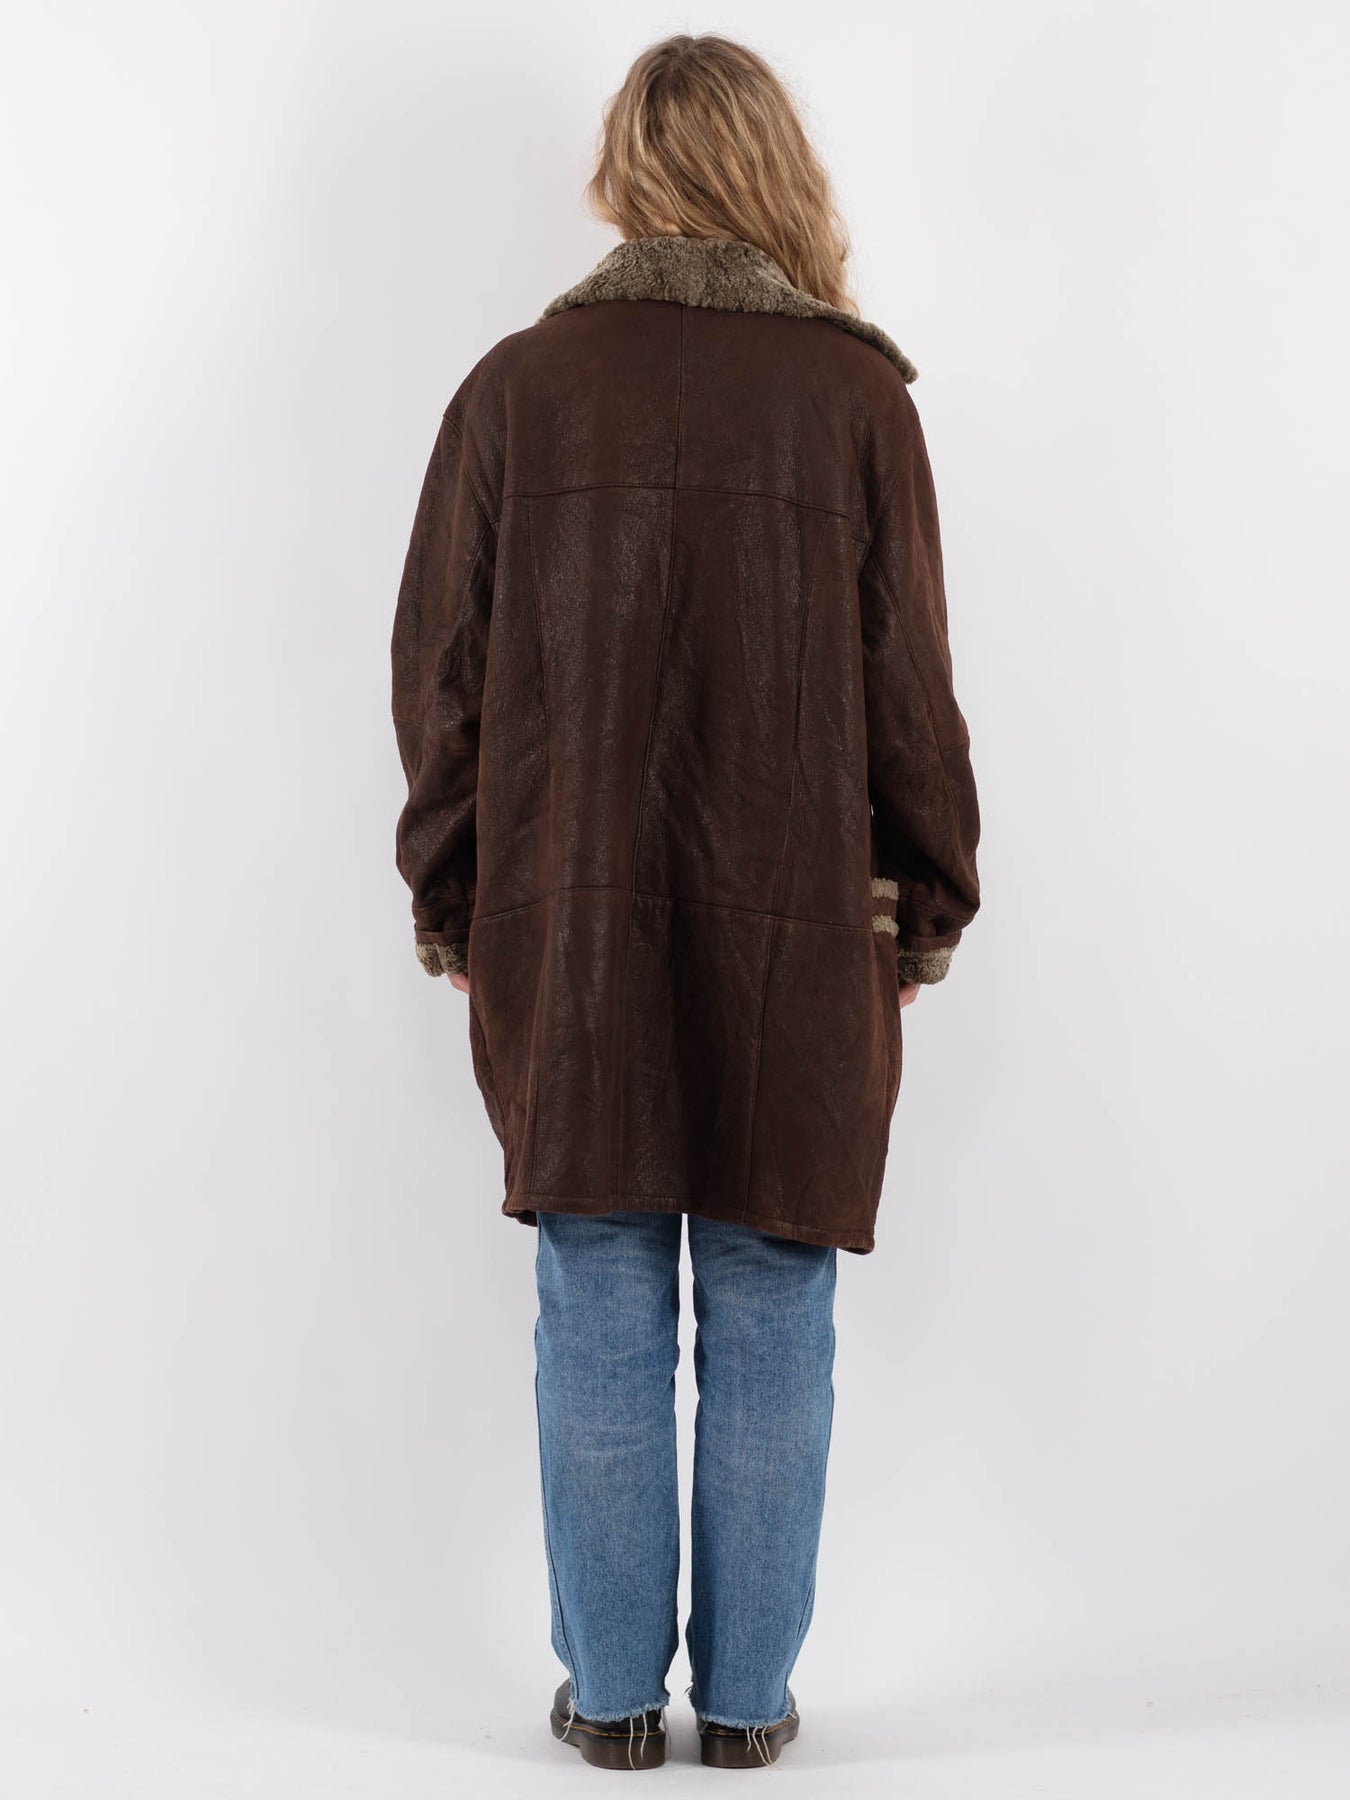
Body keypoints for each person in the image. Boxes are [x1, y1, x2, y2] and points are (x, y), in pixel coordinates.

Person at [390, 33, 981, 1772]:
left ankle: (607, 1705)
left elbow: (440, 684)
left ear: (627, 174)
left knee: (595, 1285)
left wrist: (454, 896)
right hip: (799, 935)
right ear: (774, 169)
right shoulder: (855, 400)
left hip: (564, 926)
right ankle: (745, 1708)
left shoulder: (517, 391)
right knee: (773, 1288)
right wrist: (924, 906)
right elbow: (909, 695)